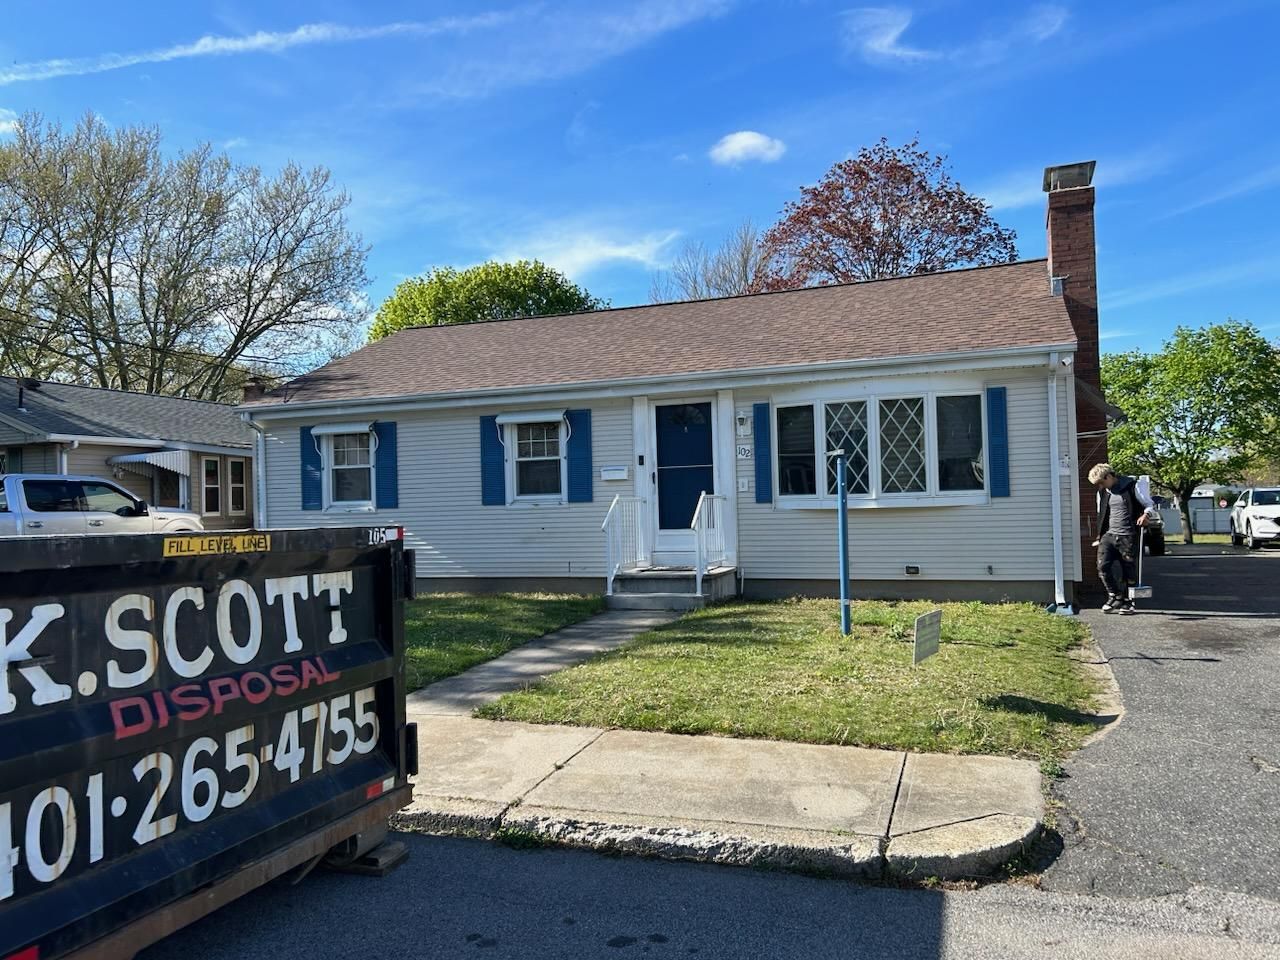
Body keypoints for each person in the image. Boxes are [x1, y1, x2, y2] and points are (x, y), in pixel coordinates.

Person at [1088, 463, 1155, 614]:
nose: (1100, 486)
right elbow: (1102, 514)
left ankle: (1128, 602)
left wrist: (1146, 515)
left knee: (1128, 571)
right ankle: (1115, 595)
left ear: (1110, 476)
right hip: (1109, 535)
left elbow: (1149, 505)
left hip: (1128, 535)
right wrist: (1100, 535)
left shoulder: (1133, 486)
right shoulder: (1103, 492)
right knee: (1102, 567)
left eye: (1101, 482)